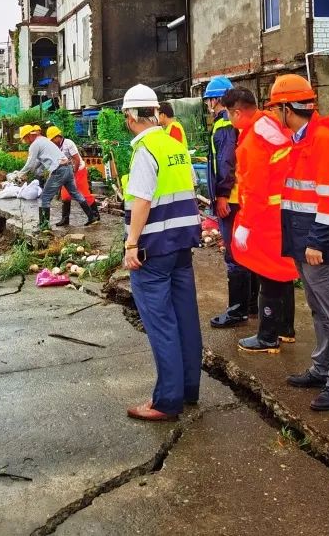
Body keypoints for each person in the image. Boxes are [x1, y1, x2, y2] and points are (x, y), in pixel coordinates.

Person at [269, 73, 329, 412]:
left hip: (319, 243)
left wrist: (317, 243)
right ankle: (322, 368)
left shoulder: (324, 140)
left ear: (288, 109)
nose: (275, 115)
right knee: (319, 310)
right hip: (304, 240)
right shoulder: (302, 139)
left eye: (277, 108)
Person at [120, 84, 202, 421]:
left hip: (153, 249)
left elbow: (141, 200)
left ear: (130, 117)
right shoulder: (175, 146)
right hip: (182, 244)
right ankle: (188, 390)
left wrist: (130, 244)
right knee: (185, 319)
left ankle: (167, 401)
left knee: (161, 324)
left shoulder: (145, 151)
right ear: (154, 112)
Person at [217, 88, 300, 354]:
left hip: (266, 215)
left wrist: (246, 226)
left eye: (229, 114)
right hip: (286, 208)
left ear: (237, 112)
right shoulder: (270, 123)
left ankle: (267, 337)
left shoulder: (253, 141)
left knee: (268, 273)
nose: (229, 119)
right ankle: (286, 329)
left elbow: (253, 189)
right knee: (284, 270)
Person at [203, 76, 255, 328]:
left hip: (231, 199)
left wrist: (222, 194)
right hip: (242, 196)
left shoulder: (224, 125)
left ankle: (237, 311)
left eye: (209, 100)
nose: (208, 106)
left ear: (217, 99)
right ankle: (252, 305)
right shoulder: (238, 123)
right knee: (247, 252)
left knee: (234, 256)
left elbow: (225, 162)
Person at [19, 125, 97, 231]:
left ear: (29, 136)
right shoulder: (44, 140)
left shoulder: (34, 145)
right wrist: (32, 171)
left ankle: (44, 226)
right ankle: (91, 217)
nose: (26, 141)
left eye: (25, 139)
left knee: (44, 197)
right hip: (68, 168)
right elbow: (37, 163)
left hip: (59, 170)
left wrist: (19, 174)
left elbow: (30, 163)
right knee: (76, 194)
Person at [47, 126, 98, 227]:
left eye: (52, 139)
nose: (52, 141)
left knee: (83, 194)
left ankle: (95, 215)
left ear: (58, 137)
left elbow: (77, 160)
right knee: (65, 196)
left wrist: (73, 174)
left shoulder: (68, 143)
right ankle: (65, 219)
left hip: (78, 170)